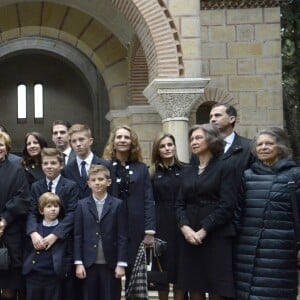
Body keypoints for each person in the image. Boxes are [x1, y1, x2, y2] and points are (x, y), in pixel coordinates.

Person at [234, 127, 300, 299]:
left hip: (280, 252)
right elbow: (238, 213)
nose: (263, 147)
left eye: (269, 143)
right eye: (260, 144)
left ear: (280, 147)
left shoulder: (294, 176)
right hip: (246, 251)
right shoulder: (247, 176)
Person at [176, 124, 237, 300]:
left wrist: (203, 231)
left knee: (215, 287)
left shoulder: (225, 167)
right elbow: (179, 203)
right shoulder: (189, 170)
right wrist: (185, 228)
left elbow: (227, 205)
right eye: (191, 139)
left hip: (215, 236)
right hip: (189, 237)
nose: (193, 142)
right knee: (194, 285)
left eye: (198, 138)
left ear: (211, 140)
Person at [102, 125, 155, 289]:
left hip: (137, 228)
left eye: (126, 137)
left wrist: (149, 230)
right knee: (111, 276)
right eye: (119, 137)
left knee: (136, 278)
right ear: (113, 142)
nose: (122, 140)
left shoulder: (141, 169)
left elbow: (148, 199)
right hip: (112, 228)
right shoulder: (106, 168)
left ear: (132, 141)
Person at [73, 164, 127, 300]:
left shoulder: (117, 204)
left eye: (101, 179)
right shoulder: (81, 205)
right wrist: (78, 262)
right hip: (88, 264)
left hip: (110, 264)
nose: (97, 183)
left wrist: (121, 263)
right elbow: (78, 235)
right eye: (93, 180)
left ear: (108, 182)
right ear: (88, 183)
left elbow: (122, 236)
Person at [150, 133, 186, 300]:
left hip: (182, 224)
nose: (167, 148)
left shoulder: (186, 169)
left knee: (180, 270)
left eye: (170, 144)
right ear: (157, 150)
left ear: (175, 146)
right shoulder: (151, 172)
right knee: (162, 271)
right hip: (160, 224)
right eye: (162, 146)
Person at [23, 192, 72, 300]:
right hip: (33, 276)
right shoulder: (34, 230)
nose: (53, 209)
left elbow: (69, 254)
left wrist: (65, 271)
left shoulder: (62, 230)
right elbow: (26, 250)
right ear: (41, 210)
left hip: (54, 278)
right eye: (48, 206)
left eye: (56, 206)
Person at [0, 131, 30, 300]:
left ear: (7, 148)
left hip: (10, 233)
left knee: (9, 289)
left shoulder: (16, 170)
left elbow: (22, 198)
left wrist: (4, 220)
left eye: (1, 144)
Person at [62, 124, 111, 199]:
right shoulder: (67, 170)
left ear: (90, 141)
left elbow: (113, 195)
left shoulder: (106, 165)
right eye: (74, 141)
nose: (78, 144)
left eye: (81, 140)